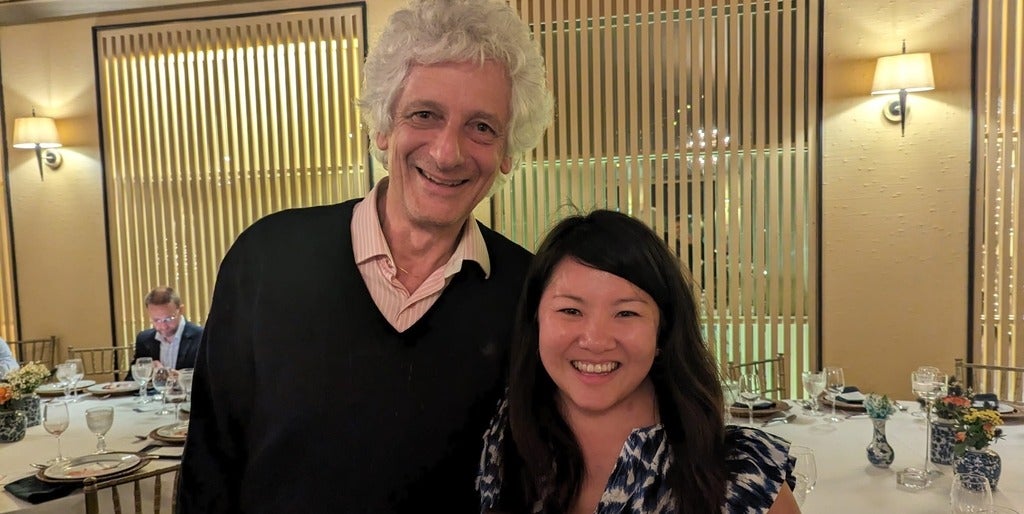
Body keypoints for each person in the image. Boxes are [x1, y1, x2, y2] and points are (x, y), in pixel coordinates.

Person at [178, 0, 553, 512]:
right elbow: (209, 464)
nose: (447, 153)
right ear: (382, 127)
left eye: (482, 127)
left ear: (508, 151)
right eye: (425, 114)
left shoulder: (532, 294)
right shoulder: (265, 260)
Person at [477, 209, 801, 514]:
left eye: (626, 313)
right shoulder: (505, 442)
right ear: (536, 322)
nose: (596, 341)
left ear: (663, 333)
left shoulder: (741, 478)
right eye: (570, 311)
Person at [132, 286, 203, 371]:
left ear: (180, 310)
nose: (163, 326)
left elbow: (211, 377)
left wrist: (179, 378)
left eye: (168, 319)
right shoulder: (144, 339)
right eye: (156, 320)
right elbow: (131, 378)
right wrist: (146, 372)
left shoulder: (201, 337)